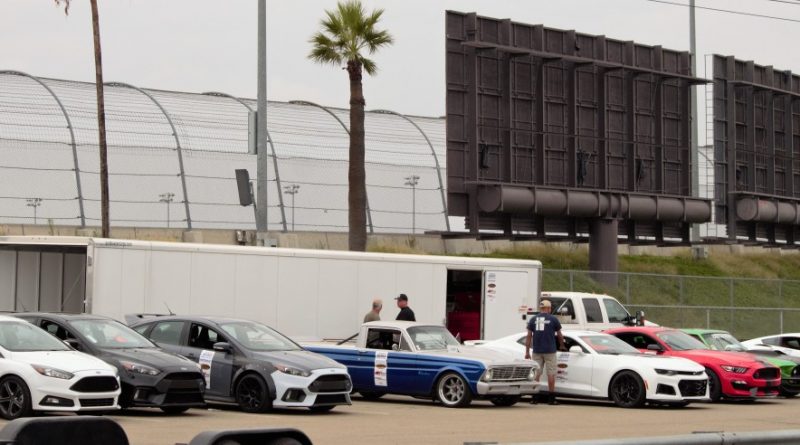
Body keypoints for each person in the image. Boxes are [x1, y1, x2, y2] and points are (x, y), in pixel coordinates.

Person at [525, 299, 565, 405]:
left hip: (537, 351)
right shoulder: (553, 319)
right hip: (550, 351)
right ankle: (551, 399)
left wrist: (527, 352)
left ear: (541, 308)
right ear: (548, 308)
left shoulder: (533, 319)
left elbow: (529, 336)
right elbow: (560, 335)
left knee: (536, 374)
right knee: (551, 374)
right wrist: (562, 345)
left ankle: (534, 398)